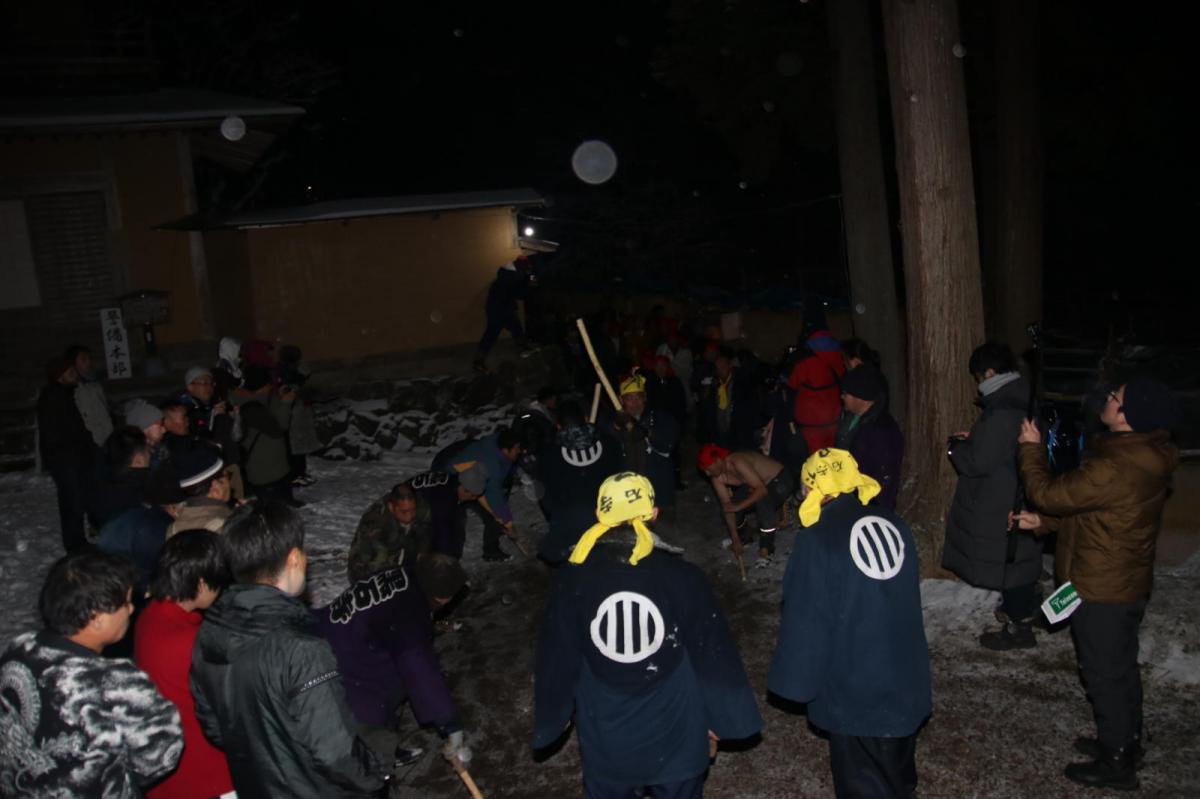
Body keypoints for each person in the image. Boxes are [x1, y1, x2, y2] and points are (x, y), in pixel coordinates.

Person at [534, 472, 763, 797]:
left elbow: (558, 653)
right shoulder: (681, 575)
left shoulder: (573, 578)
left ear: (600, 515)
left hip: (608, 739)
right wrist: (724, 715)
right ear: (654, 514)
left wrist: (554, 714)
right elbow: (711, 652)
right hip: (675, 733)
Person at [1015, 376, 1180, 790]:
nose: (1107, 400)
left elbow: (1050, 493)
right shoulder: (1140, 455)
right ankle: (1124, 740)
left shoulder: (1116, 465)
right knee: (1120, 669)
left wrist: (1031, 450)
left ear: (1128, 417)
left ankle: (1117, 763)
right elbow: (1094, 508)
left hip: (1102, 587)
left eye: (1115, 398)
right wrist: (1047, 524)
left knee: (1105, 674)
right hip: (1120, 581)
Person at [190, 501, 388, 797]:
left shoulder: (211, 630)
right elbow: (335, 752)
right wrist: (375, 779)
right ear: (294, 558)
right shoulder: (300, 648)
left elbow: (215, 725)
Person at [768, 448, 931, 798]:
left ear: (814, 488)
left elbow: (808, 616)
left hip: (856, 691)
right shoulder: (894, 524)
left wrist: (794, 682)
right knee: (897, 777)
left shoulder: (819, 538)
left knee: (865, 783)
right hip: (904, 679)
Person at [0, 550, 183, 796]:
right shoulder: (118, 683)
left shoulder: (19, 648)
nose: (130, 610)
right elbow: (160, 757)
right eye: (125, 603)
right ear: (96, 618)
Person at [314, 554, 471, 770]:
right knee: (368, 713)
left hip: (338, 635)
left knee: (392, 683)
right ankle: (375, 765)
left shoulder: (406, 575)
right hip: (339, 661)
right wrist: (450, 723)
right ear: (441, 596)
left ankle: (384, 751)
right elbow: (419, 668)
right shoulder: (408, 613)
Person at [942, 341, 1043, 649]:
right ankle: (1024, 609)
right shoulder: (1019, 397)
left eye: (979, 377)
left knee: (1011, 561)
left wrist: (956, 449)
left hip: (1001, 496)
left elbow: (981, 461)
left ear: (989, 372)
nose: (979, 384)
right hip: (1013, 490)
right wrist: (976, 438)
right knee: (1018, 556)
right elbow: (1000, 446)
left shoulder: (1003, 409)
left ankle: (1019, 626)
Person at [134, 531, 235, 799]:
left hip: (167, 768)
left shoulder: (151, 616)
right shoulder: (189, 642)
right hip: (205, 774)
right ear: (201, 584)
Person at [535, 400, 624, 563]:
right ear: (586, 418)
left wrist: (557, 516)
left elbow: (544, 496)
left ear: (558, 426)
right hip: (609, 523)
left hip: (569, 528)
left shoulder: (548, 454)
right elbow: (621, 480)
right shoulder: (610, 444)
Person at [433, 429, 524, 561]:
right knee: (455, 517)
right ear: (505, 449)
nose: (520, 451)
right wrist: (508, 524)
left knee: (495, 513)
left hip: (471, 468)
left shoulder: (502, 445)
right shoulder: (490, 463)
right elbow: (494, 497)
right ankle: (445, 557)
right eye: (517, 449)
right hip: (447, 470)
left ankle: (491, 551)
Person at [699, 444, 795, 567]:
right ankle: (744, 537)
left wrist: (739, 507)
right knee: (728, 510)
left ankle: (767, 548)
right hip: (758, 484)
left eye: (708, 468)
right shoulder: (717, 477)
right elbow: (728, 507)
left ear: (717, 460)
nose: (707, 473)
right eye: (704, 470)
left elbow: (761, 490)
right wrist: (735, 539)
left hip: (780, 480)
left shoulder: (737, 461)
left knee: (762, 501)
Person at [37, 353, 97, 552]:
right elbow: (60, 432)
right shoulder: (54, 398)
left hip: (71, 457)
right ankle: (75, 544)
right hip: (65, 460)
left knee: (77, 499)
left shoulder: (64, 395)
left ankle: (77, 541)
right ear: (60, 376)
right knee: (72, 501)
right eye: (71, 372)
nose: (76, 375)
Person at [97, 467, 187, 597]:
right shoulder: (160, 529)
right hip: (123, 584)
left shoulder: (137, 511)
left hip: (104, 572)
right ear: (173, 508)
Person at [612, 371, 680, 529]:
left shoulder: (660, 417)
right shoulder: (615, 421)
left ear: (645, 398)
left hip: (658, 493)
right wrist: (616, 427)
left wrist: (648, 433)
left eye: (639, 397)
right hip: (627, 495)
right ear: (621, 400)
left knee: (662, 537)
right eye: (630, 398)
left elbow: (670, 441)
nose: (635, 403)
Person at [835, 362, 904, 509]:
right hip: (851, 497)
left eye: (846, 393)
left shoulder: (880, 431)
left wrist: (871, 510)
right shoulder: (854, 418)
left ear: (862, 398)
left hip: (867, 506)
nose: (842, 397)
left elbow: (883, 479)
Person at [347, 481, 440, 581]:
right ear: (391, 507)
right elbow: (370, 562)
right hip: (372, 560)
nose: (409, 516)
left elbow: (426, 534)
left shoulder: (421, 507)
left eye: (413, 510)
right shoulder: (374, 520)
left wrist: (422, 555)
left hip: (402, 544)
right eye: (404, 512)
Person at [786, 324, 846, 454]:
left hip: (811, 421)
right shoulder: (839, 357)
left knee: (816, 458)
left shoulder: (805, 362)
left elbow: (791, 385)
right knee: (832, 454)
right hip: (833, 418)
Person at [474, 255, 534, 372]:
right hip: (499, 309)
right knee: (494, 334)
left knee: (513, 328)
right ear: (521, 268)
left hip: (499, 308)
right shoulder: (510, 276)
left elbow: (513, 293)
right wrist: (528, 283)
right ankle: (478, 361)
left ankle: (479, 361)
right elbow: (519, 294)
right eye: (525, 269)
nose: (526, 272)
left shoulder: (508, 274)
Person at [88, 425, 152, 527]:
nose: (150, 455)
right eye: (147, 451)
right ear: (139, 459)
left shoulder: (107, 472)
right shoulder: (133, 486)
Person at [166, 447, 233, 538]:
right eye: (227, 476)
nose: (230, 482)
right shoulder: (228, 529)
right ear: (215, 488)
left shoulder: (172, 530)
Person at [67, 343, 113, 448]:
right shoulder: (74, 391)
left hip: (106, 439)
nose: (89, 362)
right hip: (91, 443)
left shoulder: (94, 385)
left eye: (89, 358)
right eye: (83, 359)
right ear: (73, 364)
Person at [125, 398, 169, 470]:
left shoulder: (160, 449)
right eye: (160, 425)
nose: (164, 430)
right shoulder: (137, 460)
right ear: (144, 428)